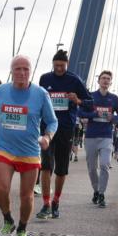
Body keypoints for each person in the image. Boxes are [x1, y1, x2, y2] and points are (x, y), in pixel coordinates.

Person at [0, 55, 57, 236]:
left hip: (30, 151)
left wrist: (47, 137)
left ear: (31, 71)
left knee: (26, 195)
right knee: (1, 188)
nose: (22, 73)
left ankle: (22, 229)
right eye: (18, 69)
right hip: (5, 148)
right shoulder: (1, 91)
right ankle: (8, 220)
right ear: (11, 71)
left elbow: (52, 121)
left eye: (26, 69)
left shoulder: (40, 94)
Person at [35, 49, 92, 220]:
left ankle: (56, 201)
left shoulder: (74, 80)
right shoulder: (45, 79)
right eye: (56, 65)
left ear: (67, 65)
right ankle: (46, 204)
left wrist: (77, 100)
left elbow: (90, 103)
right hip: (47, 128)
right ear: (52, 65)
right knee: (46, 165)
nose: (59, 69)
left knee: (61, 169)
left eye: (62, 66)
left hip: (66, 128)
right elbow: (39, 101)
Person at [77, 70, 118, 208]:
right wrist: (93, 114)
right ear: (98, 81)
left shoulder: (114, 98)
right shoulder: (90, 96)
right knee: (92, 168)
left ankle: (102, 194)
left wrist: (113, 118)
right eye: (103, 78)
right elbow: (80, 112)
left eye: (108, 79)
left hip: (106, 137)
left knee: (104, 165)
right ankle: (96, 190)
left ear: (111, 82)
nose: (105, 80)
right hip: (91, 136)